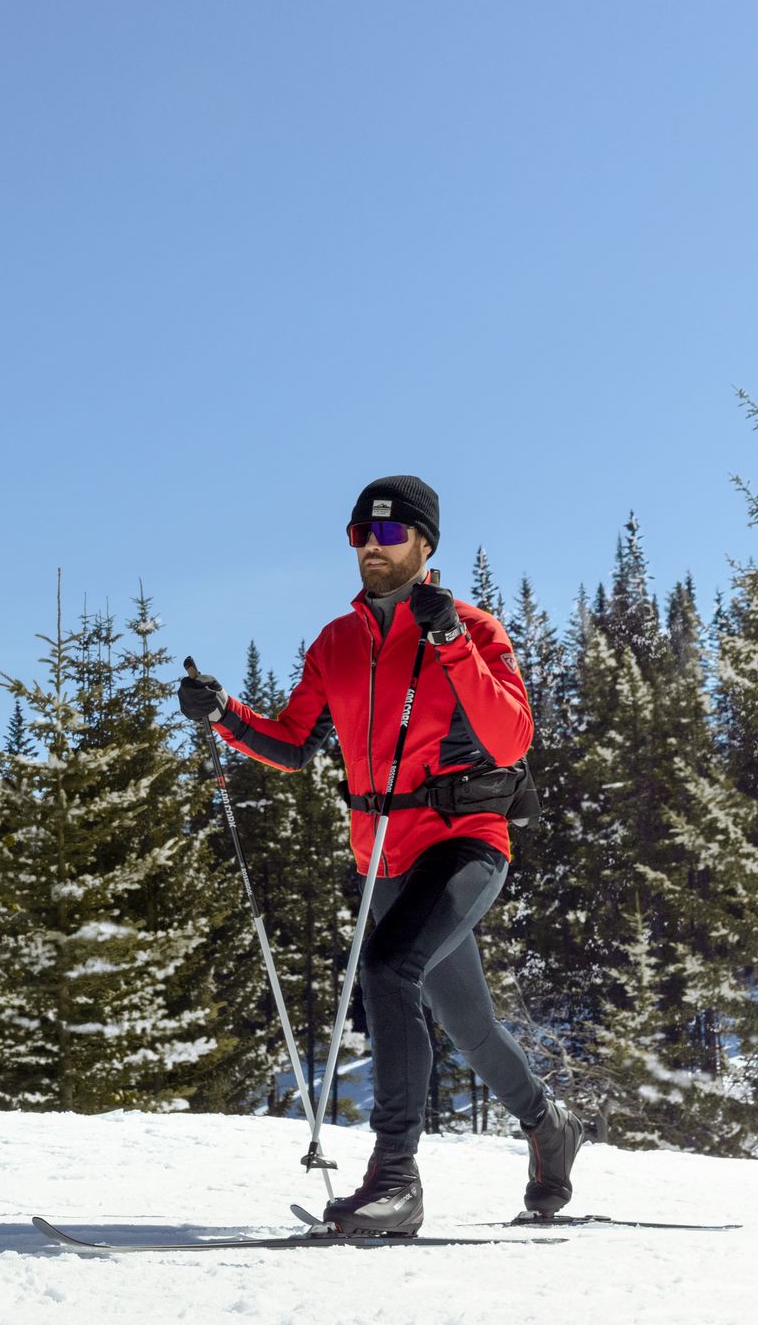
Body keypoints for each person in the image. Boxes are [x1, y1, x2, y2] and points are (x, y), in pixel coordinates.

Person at [178, 475, 585, 1234]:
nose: (373, 545)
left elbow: (510, 740)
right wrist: (224, 712)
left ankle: (394, 1180)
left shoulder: (472, 628)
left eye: (391, 534)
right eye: (361, 532)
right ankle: (548, 1124)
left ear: (425, 544)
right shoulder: (337, 642)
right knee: (466, 1022)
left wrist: (453, 647)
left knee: (389, 968)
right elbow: (296, 744)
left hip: (465, 842)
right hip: (385, 859)